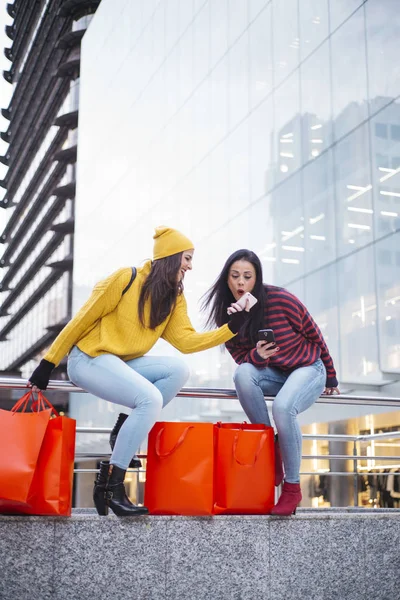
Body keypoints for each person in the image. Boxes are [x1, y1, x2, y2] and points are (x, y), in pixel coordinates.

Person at [28, 227, 251, 517]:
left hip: (118, 363)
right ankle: (111, 487)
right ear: (170, 257)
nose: (190, 266)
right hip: (88, 357)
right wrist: (48, 362)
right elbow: (82, 320)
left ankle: (124, 431)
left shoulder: (173, 297)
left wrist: (230, 329)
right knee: (150, 399)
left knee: (178, 370)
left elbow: (186, 342)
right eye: (186, 258)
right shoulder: (126, 278)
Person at [203, 249, 340, 516]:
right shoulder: (227, 318)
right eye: (235, 276)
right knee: (242, 374)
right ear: (226, 280)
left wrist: (331, 375)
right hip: (276, 374)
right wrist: (258, 355)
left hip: (308, 368)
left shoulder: (280, 299)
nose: (241, 282)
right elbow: (242, 359)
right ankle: (268, 448)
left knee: (282, 407)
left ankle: (292, 488)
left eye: (247, 276)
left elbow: (315, 334)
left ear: (257, 279)